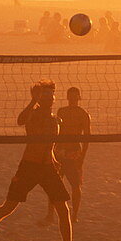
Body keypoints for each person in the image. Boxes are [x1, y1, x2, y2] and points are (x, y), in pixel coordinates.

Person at [0, 80, 77, 241]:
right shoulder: (33, 114)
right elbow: (20, 120)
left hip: (48, 169)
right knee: (9, 206)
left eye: (51, 94)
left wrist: (54, 159)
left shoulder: (55, 120)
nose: (50, 97)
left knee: (64, 210)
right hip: (29, 166)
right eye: (45, 94)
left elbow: (50, 144)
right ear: (38, 97)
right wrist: (32, 102)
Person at [41, 87, 91, 225]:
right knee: (54, 184)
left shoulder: (83, 114)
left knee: (75, 185)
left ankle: (74, 215)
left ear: (78, 98)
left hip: (74, 154)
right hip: (59, 152)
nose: (73, 99)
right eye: (71, 96)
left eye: (75, 97)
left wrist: (82, 158)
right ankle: (50, 215)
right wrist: (51, 151)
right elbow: (55, 133)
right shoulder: (61, 112)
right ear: (68, 97)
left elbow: (87, 139)